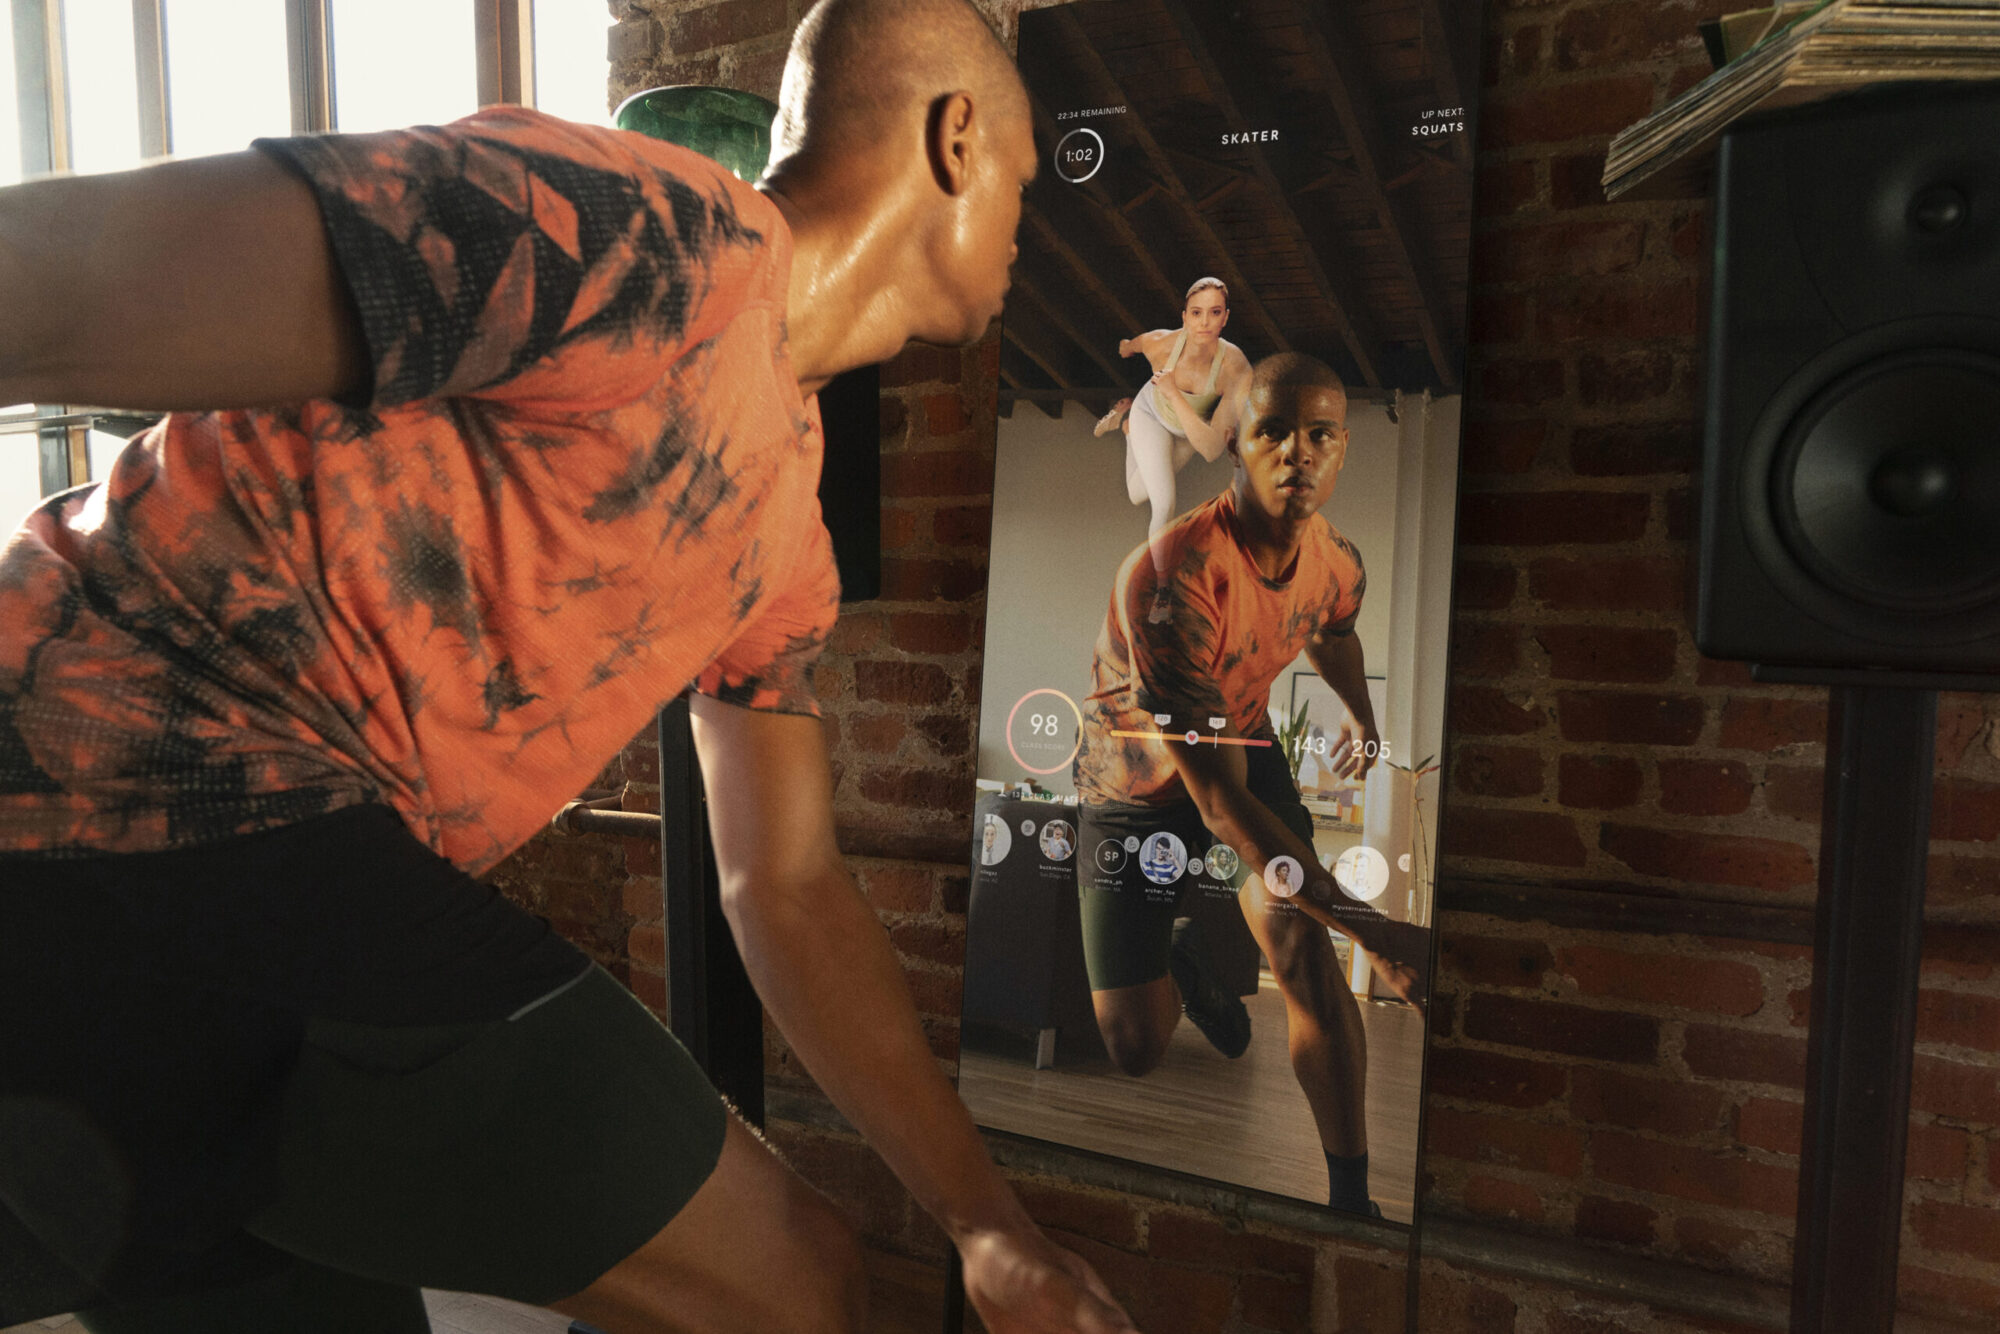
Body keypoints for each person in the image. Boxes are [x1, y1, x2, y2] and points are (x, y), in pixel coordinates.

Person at [0, 1, 1137, 1331]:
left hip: (195, 944)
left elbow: (784, 881)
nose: (1029, 213)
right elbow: (48, 280)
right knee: (799, 1277)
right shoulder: (650, 234)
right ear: (956, 139)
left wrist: (989, 1225)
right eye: (1022, 171)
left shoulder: (786, 540)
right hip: (149, 791)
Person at [1071, 352, 1426, 1217]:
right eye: (1273, 431)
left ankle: (1352, 1202)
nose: (1297, 452)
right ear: (1236, 443)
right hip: (1134, 787)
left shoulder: (1336, 559)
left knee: (1301, 942)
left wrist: (1363, 720)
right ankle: (1182, 958)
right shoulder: (1173, 576)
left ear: (1342, 451)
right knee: (1133, 1047)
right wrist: (1374, 928)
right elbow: (1220, 808)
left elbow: (1331, 630)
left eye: (1320, 435)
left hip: (1239, 740)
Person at [1092, 278, 1252, 622]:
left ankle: (1124, 428)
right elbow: (1130, 345)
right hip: (1152, 414)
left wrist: (1175, 394)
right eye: (1196, 313)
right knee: (1163, 502)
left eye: (1214, 313)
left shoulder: (1235, 368)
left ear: (1225, 318)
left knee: (1138, 495)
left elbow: (1210, 449)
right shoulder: (1161, 344)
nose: (1204, 322)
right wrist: (1125, 347)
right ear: (1184, 317)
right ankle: (1163, 593)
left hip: (1187, 432)